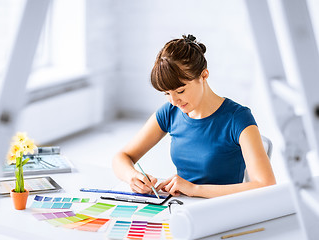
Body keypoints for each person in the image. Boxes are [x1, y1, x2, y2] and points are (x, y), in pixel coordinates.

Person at [112, 34, 276, 198]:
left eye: (180, 91)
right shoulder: (170, 112)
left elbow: (265, 185)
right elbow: (121, 157)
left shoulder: (238, 118)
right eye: (166, 93)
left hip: (222, 210)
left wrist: (195, 189)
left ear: (204, 75)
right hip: (181, 208)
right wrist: (133, 176)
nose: (174, 101)